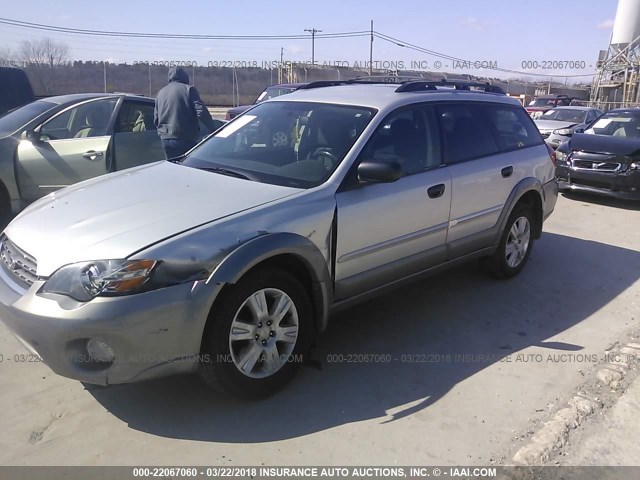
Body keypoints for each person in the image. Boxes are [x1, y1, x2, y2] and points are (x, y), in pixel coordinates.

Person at [154, 66, 216, 158]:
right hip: (184, 137)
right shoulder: (189, 90)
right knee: (188, 166)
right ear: (185, 77)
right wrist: (214, 129)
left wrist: (163, 132)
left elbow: (156, 119)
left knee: (173, 166)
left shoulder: (160, 93)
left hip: (165, 138)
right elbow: (201, 112)